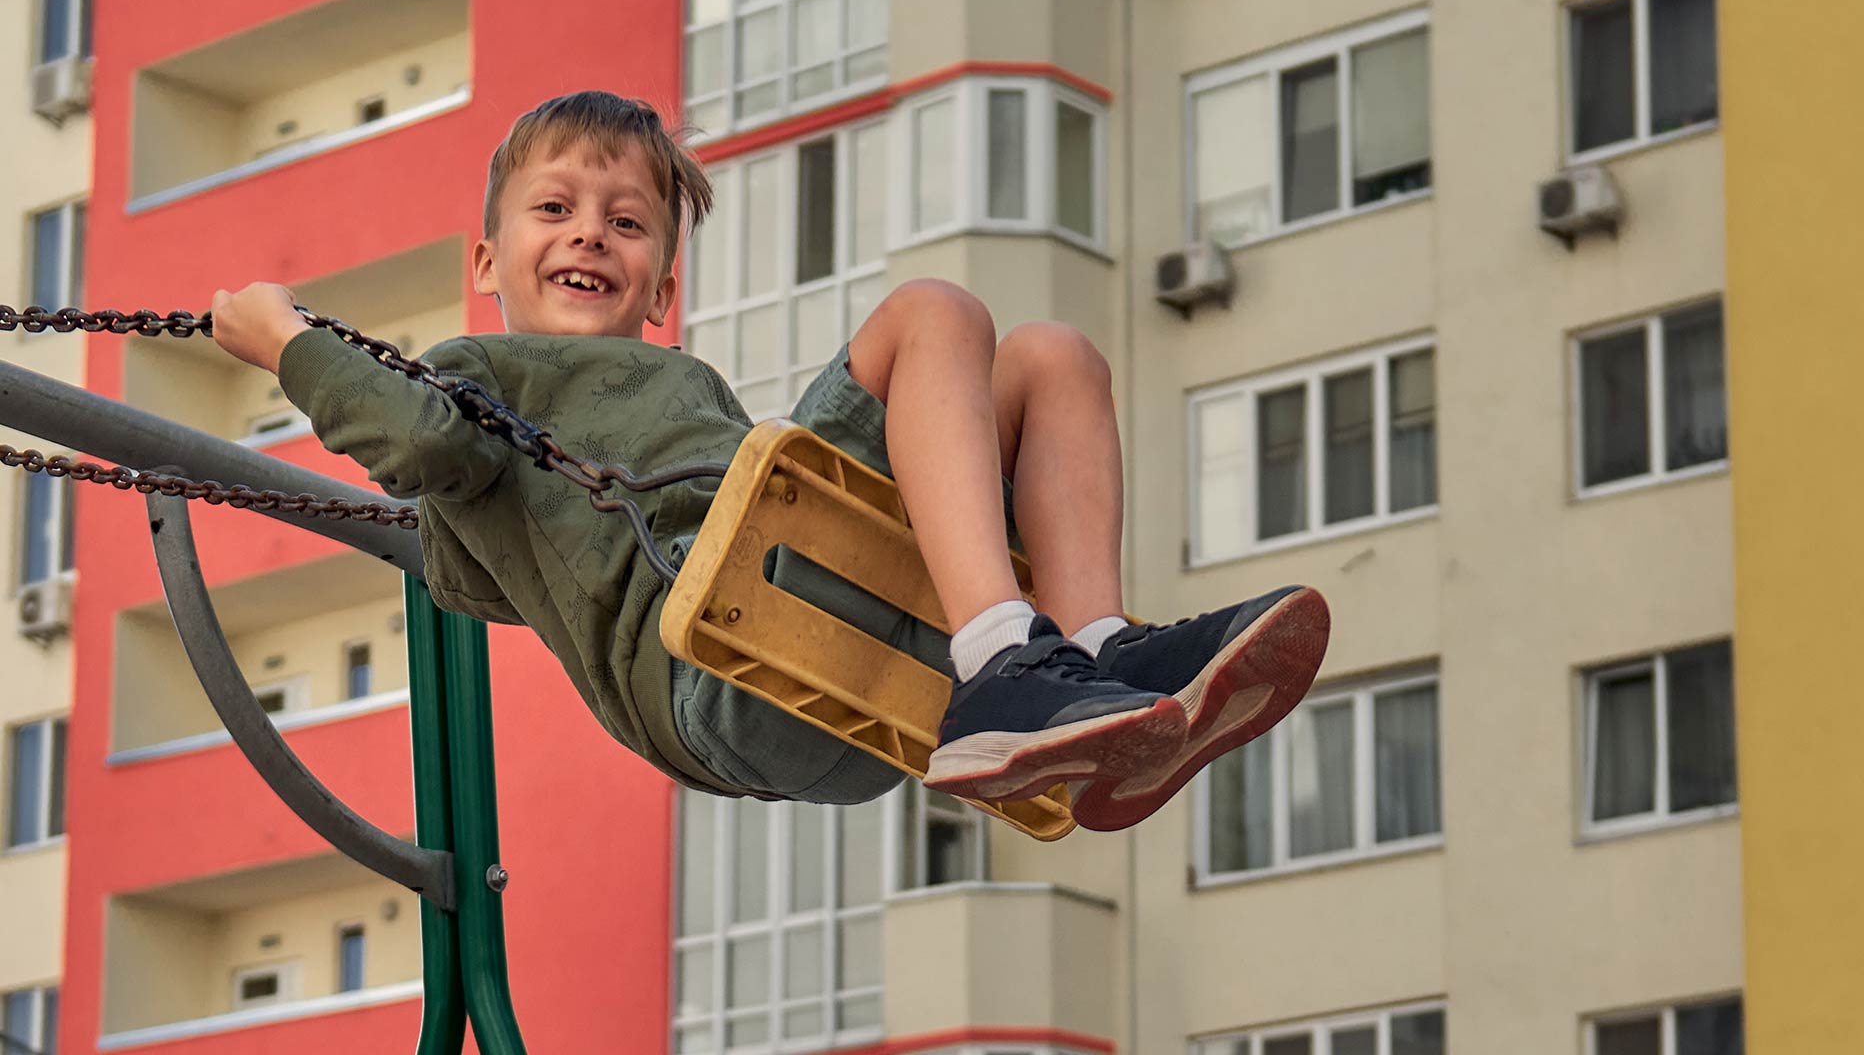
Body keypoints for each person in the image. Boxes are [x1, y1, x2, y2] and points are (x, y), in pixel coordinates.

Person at [210, 90, 1329, 832]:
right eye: (555, 209)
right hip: (726, 671)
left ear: (664, 291)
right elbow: (419, 450)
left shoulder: (684, 393)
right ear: (488, 258)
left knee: (1055, 357)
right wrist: (286, 339)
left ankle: (1095, 663)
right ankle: (1007, 664)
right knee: (934, 311)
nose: (592, 232)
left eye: (629, 223)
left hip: (857, 704)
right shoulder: (479, 375)